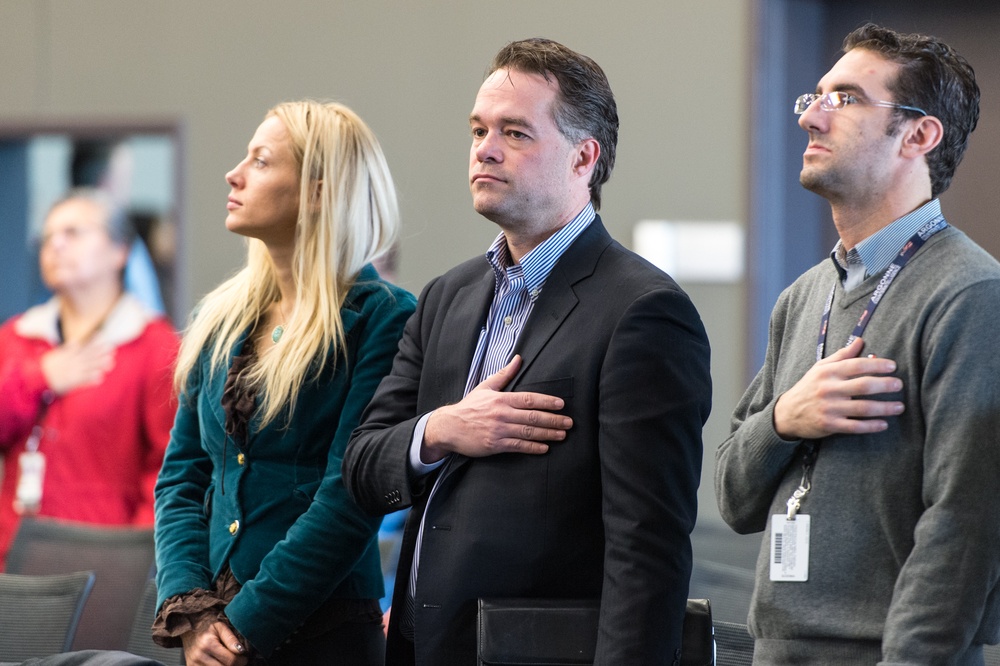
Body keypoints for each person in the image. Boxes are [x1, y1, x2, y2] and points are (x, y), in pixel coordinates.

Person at [343, 38, 712, 665]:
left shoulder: (643, 311)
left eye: (516, 133)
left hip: (541, 652)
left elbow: (646, 547)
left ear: (583, 158)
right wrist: (440, 431)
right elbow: (362, 468)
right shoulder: (445, 297)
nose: (485, 149)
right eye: (479, 129)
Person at [715, 23, 1000, 663]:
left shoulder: (972, 294)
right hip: (777, 650)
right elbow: (734, 498)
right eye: (813, 97)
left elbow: (966, 526)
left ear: (919, 134)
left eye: (843, 98)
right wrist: (785, 419)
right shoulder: (803, 297)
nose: (811, 116)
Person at [152, 101, 416, 666]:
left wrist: (242, 626)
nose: (234, 173)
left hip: (324, 635)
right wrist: (195, 616)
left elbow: (352, 494)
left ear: (320, 191)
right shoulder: (217, 319)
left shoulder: (383, 316)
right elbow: (182, 477)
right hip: (211, 635)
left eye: (261, 161)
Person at [0, 188, 177, 569]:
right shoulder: (16, 337)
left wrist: (133, 560)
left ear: (120, 251)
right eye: (47, 237)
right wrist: (39, 378)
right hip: (12, 555)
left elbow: (169, 470)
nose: (55, 245)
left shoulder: (155, 346)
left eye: (73, 232)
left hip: (105, 563)